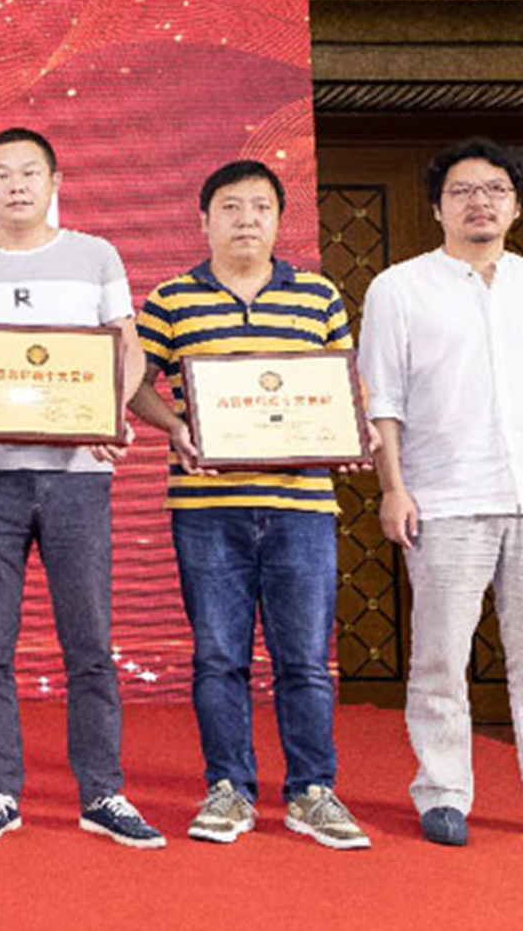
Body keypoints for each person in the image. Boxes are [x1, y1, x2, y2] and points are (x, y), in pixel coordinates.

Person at [361, 137, 523, 851]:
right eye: (462, 191)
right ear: (436, 207)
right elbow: (382, 400)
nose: (479, 202)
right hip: (443, 498)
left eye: (494, 190)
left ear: (515, 205)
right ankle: (443, 791)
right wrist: (393, 488)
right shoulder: (398, 288)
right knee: (439, 657)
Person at [0, 127, 161, 848]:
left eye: (30, 172)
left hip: (76, 475)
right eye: (1, 173)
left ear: (55, 182)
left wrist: (111, 412)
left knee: (89, 641)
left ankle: (102, 791)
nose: (16, 184)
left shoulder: (95, 255)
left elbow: (127, 347)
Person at [129, 159, 371, 850]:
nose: (245, 219)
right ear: (204, 220)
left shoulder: (318, 295)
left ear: (278, 218)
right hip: (207, 504)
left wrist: (349, 435)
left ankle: (311, 791)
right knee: (217, 656)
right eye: (230, 207)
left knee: (304, 659)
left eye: (260, 206)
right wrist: (174, 427)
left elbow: (341, 384)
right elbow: (134, 382)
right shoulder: (171, 298)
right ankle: (227, 787)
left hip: (302, 506)